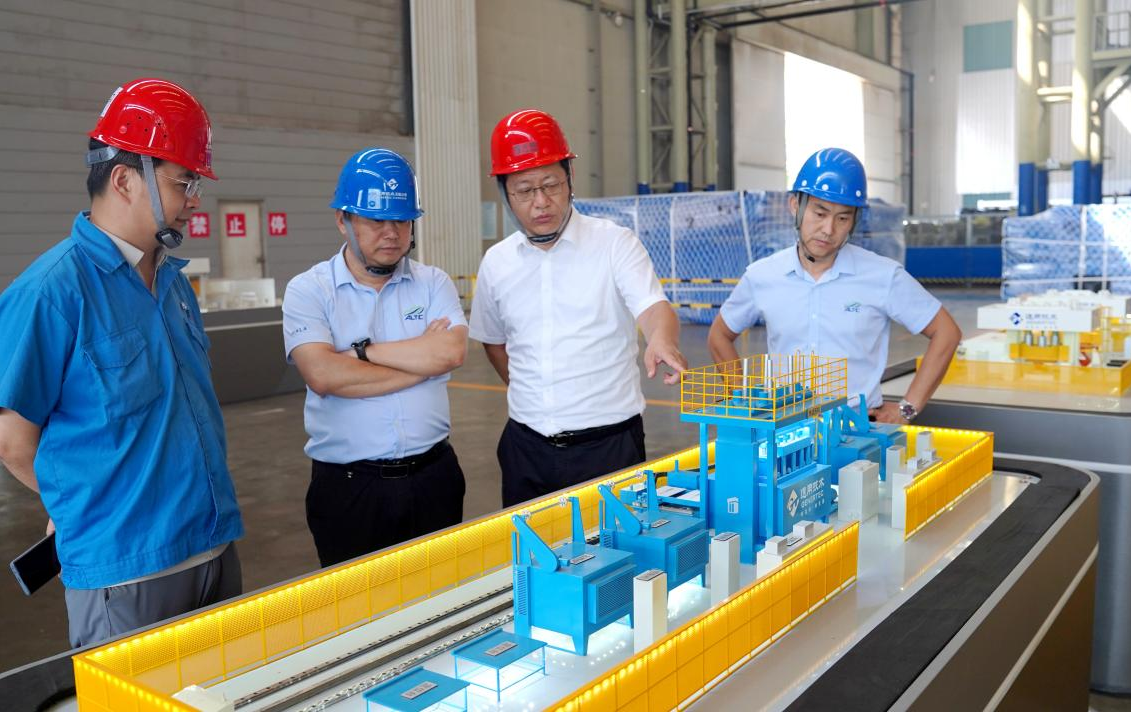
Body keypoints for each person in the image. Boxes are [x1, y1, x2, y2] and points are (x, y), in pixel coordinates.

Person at [0, 78, 243, 648]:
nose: (194, 198)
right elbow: (9, 440)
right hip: (128, 572)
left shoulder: (173, 283)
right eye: (183, 181)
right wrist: (76, 506)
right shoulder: (53, 293)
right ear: (126, 179)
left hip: (213, 546)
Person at [470, 109, 688, 508]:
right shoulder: (497, 263)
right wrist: (535, 393)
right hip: (526, 449)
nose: (541, 202)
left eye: (551, 184)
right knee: (528, 548)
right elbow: (494, 341)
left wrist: (661, 338)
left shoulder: (615, 244)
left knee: (613, 546)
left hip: (608, 448)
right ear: (504, 193)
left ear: (570, 177)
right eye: (524, 190)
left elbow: (653, 306)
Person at [282, 148, 468, 568]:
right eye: (375, 221)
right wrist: (421, 365)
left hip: (433, 478)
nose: (391, 233)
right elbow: (323, 374)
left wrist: (362, 353)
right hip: (350, 488)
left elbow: (451, 351)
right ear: (342, 220)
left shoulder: (433, 283)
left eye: (401, 220)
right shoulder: (309, 290)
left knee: (441, 596)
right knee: (358, 603)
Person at [707, 147, 961, 423]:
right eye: (820, 213)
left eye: (842, 218)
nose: (828, 229)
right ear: (795, 206)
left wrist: (906, 408)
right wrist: (745, 400)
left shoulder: (883, 276)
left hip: (858, 431)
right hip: (786, 428)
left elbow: (946, 333)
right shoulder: (762, 276)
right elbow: (719, 335)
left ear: (854, 221)